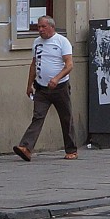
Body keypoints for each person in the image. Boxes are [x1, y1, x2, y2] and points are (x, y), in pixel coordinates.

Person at [14, 16, 78, 161]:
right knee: (38, 116)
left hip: (60, 87)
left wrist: (57, 78)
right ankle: (26, 147)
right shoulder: (37, 43)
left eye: (43, 27)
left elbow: (69, 65)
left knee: (66, 117)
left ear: (51, 27)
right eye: (38, 27)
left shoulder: (62, 42)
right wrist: (29, 84)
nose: (40, 30)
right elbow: (34, 64)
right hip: (41, 88)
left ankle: (71, 149)